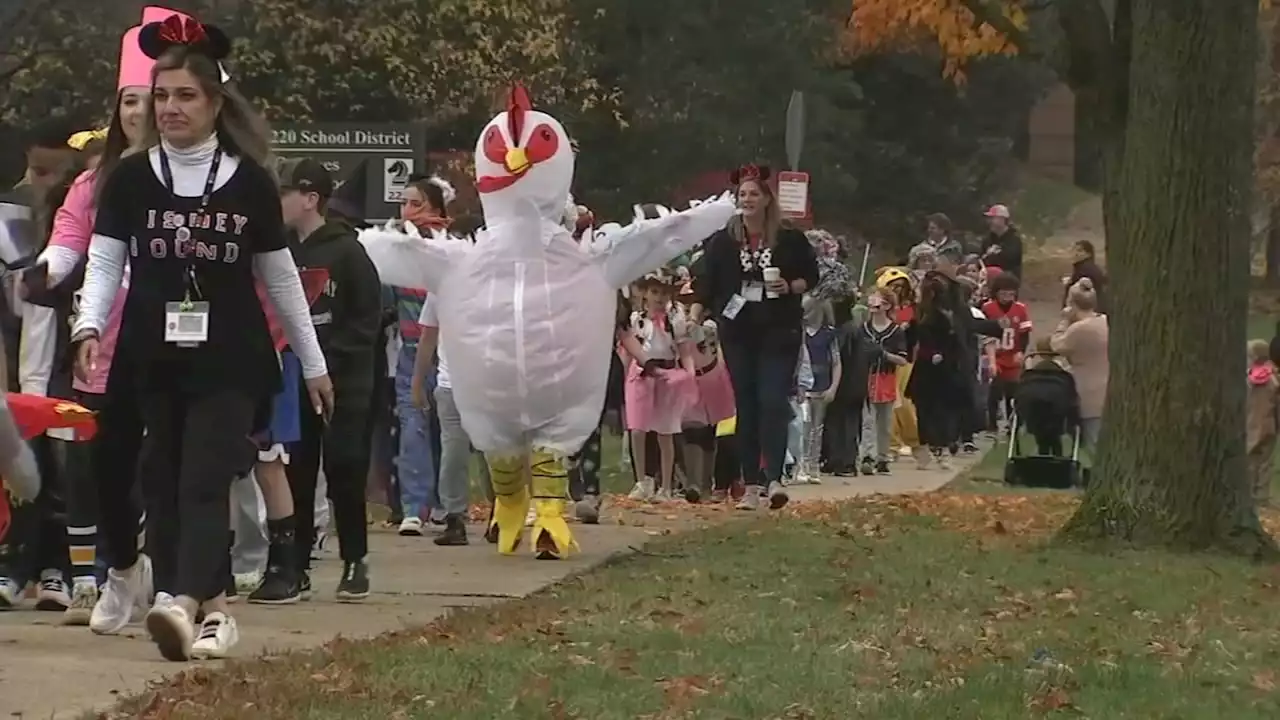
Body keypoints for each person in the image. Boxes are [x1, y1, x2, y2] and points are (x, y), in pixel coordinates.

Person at [358, 84, 735, 557]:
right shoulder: (476, 258)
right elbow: (395, 252)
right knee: (502, 446)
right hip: (494, 381)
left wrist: (716, 212)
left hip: (550, 376)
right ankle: (514, 502)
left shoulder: (575, 257)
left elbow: (654, 237)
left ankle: (549, 512)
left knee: (547, 444)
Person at [70, 14, 333, 661]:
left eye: (185, 95)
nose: (169, 108)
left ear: (216, 102)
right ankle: (213, 612)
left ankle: (181, 603)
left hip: (230, 357)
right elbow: (106, 261)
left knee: (204, 475)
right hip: (152, 354)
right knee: (159, 476)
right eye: (161, 95)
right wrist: (88, 324)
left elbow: (280, 277)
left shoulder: (247, 181)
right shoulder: (130, 179)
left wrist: (315, 362)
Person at [22, 26, 158, 629]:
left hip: (181, 340)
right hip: (102, 344)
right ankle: (119, 570)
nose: (139, 110)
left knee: (174, 465)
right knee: (108, 468)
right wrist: (43, 272)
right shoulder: (93, 181)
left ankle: (178, 582)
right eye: (128, 99)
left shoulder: (203, 174)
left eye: (150, 97)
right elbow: (69, 242)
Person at [259, 158, 380, 603]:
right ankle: (296, 564)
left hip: (346, 380)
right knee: (298, 470)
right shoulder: (280, 251)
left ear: (311, 199)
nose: (279, 202)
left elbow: (367, 320)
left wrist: (330, 362)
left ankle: (355, 559)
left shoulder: (348, 252)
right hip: (292, 377)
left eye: (287, 193)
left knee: (345, 466)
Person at [693, 164, 819, 510]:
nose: (747, 199)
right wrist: (697, 313)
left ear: (767, 199)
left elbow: (812, 274)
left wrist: (791, 286)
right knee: (746, 407)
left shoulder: (789, 237)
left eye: (753, 194)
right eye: (742, 195)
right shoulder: (724, 239)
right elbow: (707, 281)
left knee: (773, 401)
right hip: (739, 333)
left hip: (779, 330)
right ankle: (749, 484)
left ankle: (774, 478)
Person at [389, 175, 453, 535]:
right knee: (412, 428)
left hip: (448, 354)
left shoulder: (452, 249)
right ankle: (415, 507)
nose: (407, 212)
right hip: (411, 352)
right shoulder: (397, 250)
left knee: (445, 429)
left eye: (416, 204)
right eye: (403, 203)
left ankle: (444, 503)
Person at [622, 273, 696, 501]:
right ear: (645, 294)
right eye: (654, 292)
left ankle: (666, 486)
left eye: (663, 293)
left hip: (667, 374)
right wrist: (626, 376)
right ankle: (642, 480)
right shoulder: (637, 319)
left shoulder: (675, 320)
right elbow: (628, 350)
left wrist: (687, 375)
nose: (659, 298)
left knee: (666, 431)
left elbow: (685, 353)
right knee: (638, 428)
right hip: (642, 372)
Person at [1050, 278, 1109, 452]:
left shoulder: (1078, 330)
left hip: (1088, 392)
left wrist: (1064, 321)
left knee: (1093, 443)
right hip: (1107, 387)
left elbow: (1057, 344)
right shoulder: (1105, 321)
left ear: (1072, 304)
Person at [857, 289, 908, 475]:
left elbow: (903, 359)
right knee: (866, 419)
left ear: (887, 305)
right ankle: (867, 456)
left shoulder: (895, 331)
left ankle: (883, 457)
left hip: (886, 377)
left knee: (884, 421)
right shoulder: (863, 328)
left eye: (878, 300)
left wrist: (884, 354)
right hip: (866, 376)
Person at [980, 272, 1032, 432]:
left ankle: (1013, 423)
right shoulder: (987, 308)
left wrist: (1020, 352)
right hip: (994, 355)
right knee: (994, 390)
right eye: (1003, 293)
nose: (1007, 297)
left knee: (1013, 391)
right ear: (996, 292)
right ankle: (992, 424)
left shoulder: (1021, 309)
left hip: (1012, 355)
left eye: (1011, 293)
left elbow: (1024, 334)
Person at [798, 294, 840, 483]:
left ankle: (813, 466)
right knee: (803, 427)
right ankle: (801, 465)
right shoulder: (800, 333)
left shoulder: (830, 334)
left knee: (817, 428)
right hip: (803, 386)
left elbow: (837, 363)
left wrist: (833, 387)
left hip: (822, 385)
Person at [1246, 339, 1277, 508]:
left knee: (1250, 460)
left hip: (1250, 424)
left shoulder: (1246, 378)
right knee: (1266, 461)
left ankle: (1248, 492)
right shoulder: (1273, 380)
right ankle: (1262, 496)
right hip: (1269, 426)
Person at [1062, 239, 1106, 313]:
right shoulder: (1082, 268)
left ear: (1088, 254)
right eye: (1074, 250)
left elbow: (1080, 293)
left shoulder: (1085, 270)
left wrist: (1069, 284)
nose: (1075, 253)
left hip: (1085, 312)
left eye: (1080, 251)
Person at [981, 204, 1023, 281]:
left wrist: (990, 258)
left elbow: (1009, 260)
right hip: (988, 283)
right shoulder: (987, 240)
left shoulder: (1014, 240)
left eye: (992, 218)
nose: (989, 221)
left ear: (1002, 219)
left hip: (1008, 284)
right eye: (989, 218)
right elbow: (982, 260)